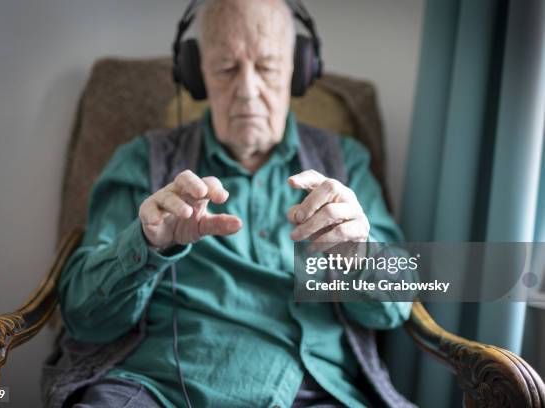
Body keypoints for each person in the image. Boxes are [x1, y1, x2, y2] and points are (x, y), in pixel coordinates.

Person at [55, 0, 413, 407]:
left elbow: (395, 308)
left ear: (298, 68)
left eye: (266, 67)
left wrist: (359, 254)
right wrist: (145, 245)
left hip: (309, 393)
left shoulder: (345, 162)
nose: (247, 89)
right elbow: (84, 319)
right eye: (226, 68)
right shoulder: (142, 161)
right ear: (196, 73)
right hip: (156, 388)